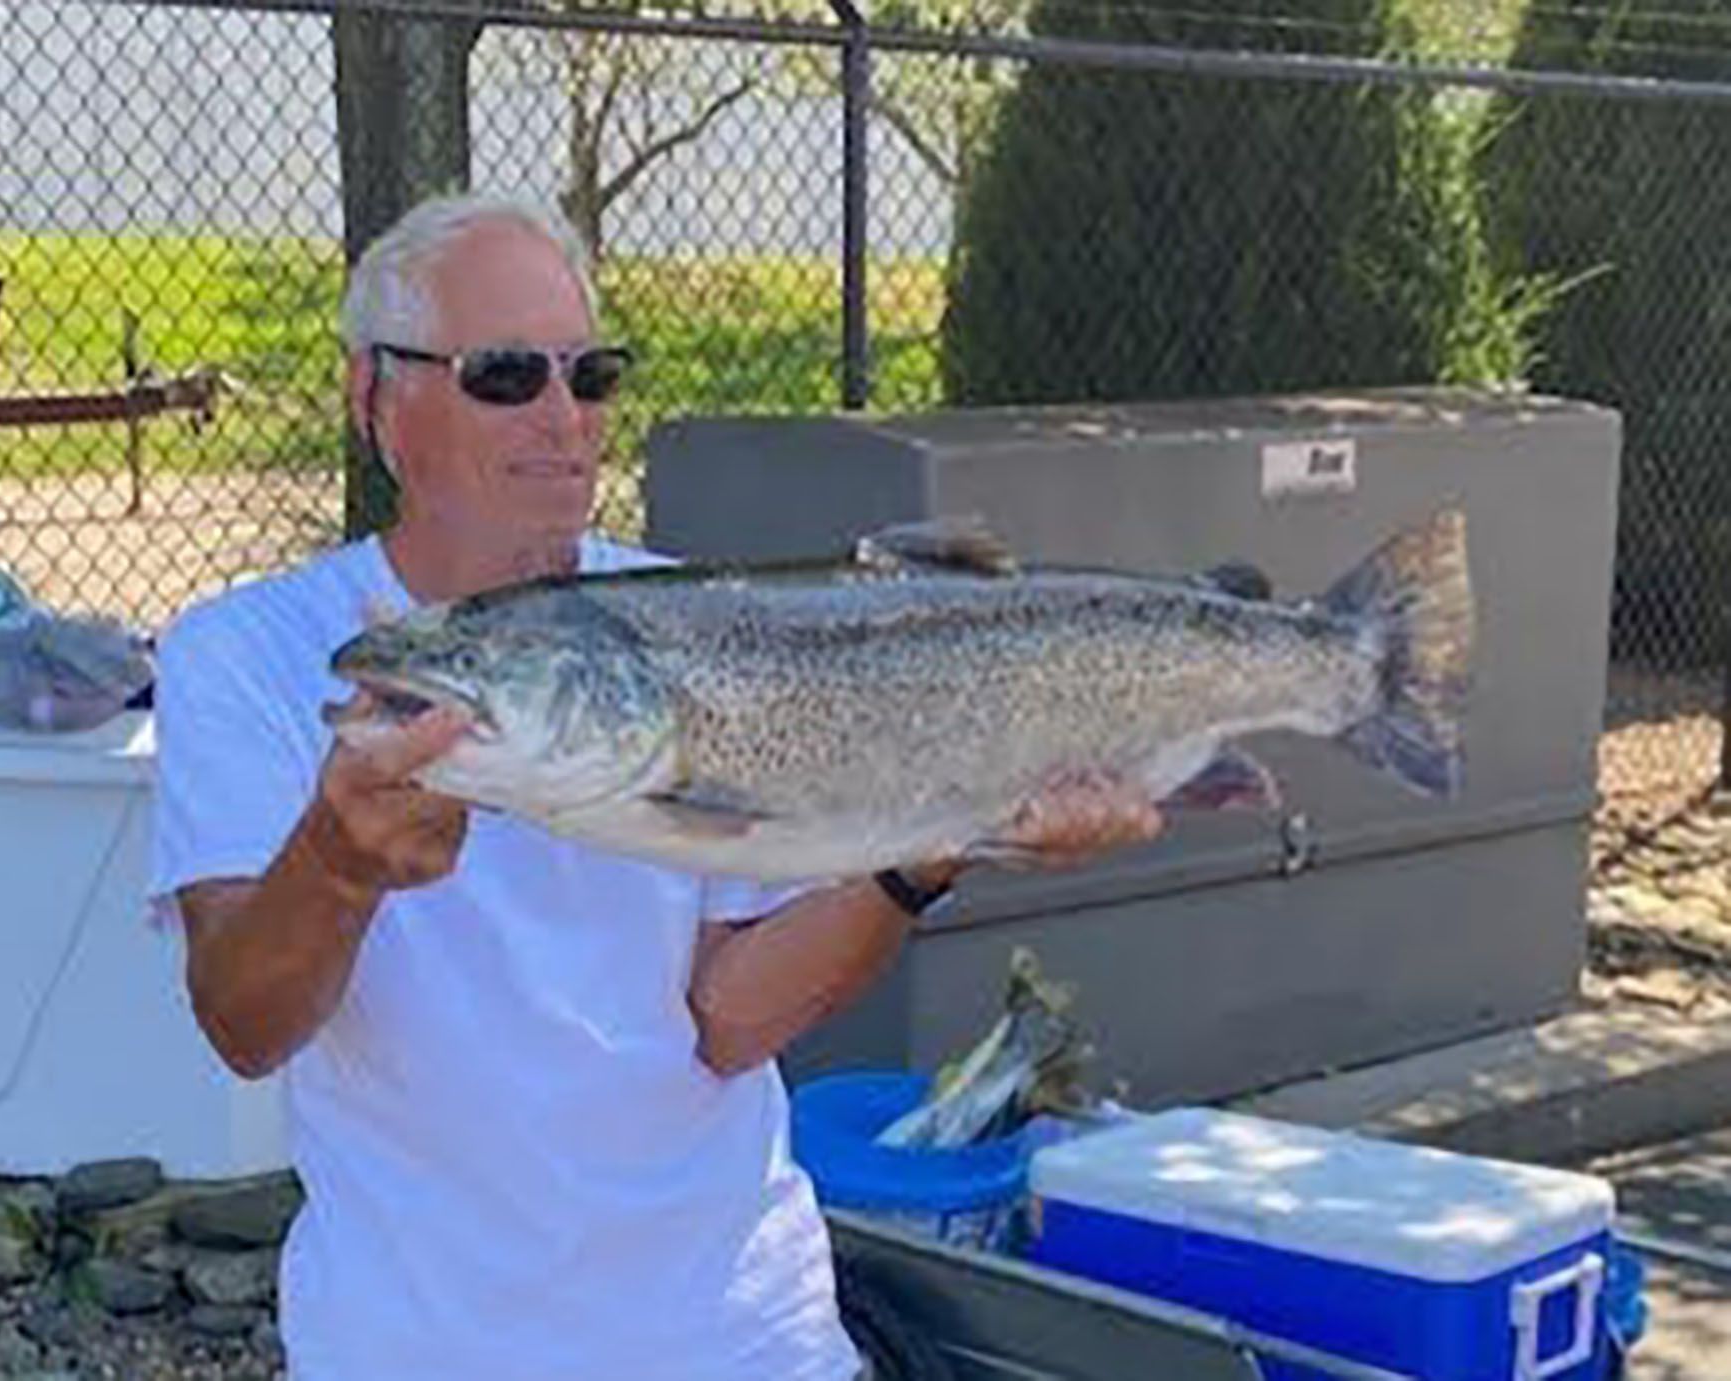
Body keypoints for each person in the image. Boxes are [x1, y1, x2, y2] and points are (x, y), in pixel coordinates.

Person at [147, 189, 1162, 1381]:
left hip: (743, 1335)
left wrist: (937, 845)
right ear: (374, 397)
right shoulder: (255, 654)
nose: (565, 418)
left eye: (592, 375)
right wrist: (336, 861)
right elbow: (243, 1024)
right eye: (508, 375)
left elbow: (728, 1020)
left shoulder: (690, 622)